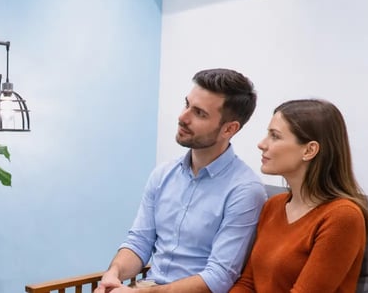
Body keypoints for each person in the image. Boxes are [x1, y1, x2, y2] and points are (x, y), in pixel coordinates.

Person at [95, 69, 267, 293]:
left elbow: (218, 277)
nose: (182, 117)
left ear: (229, 128)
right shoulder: (163, 174)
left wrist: (142, 292)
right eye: (186, 104)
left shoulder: (245, 190)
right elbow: (139, 241)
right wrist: (113, 274)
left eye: (199, 113)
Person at [230, 99, 368, 293]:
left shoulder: (343, 217)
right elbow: (247, 283)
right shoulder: (272, 206)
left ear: (309, 150)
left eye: (275, 136)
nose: (262, 144)